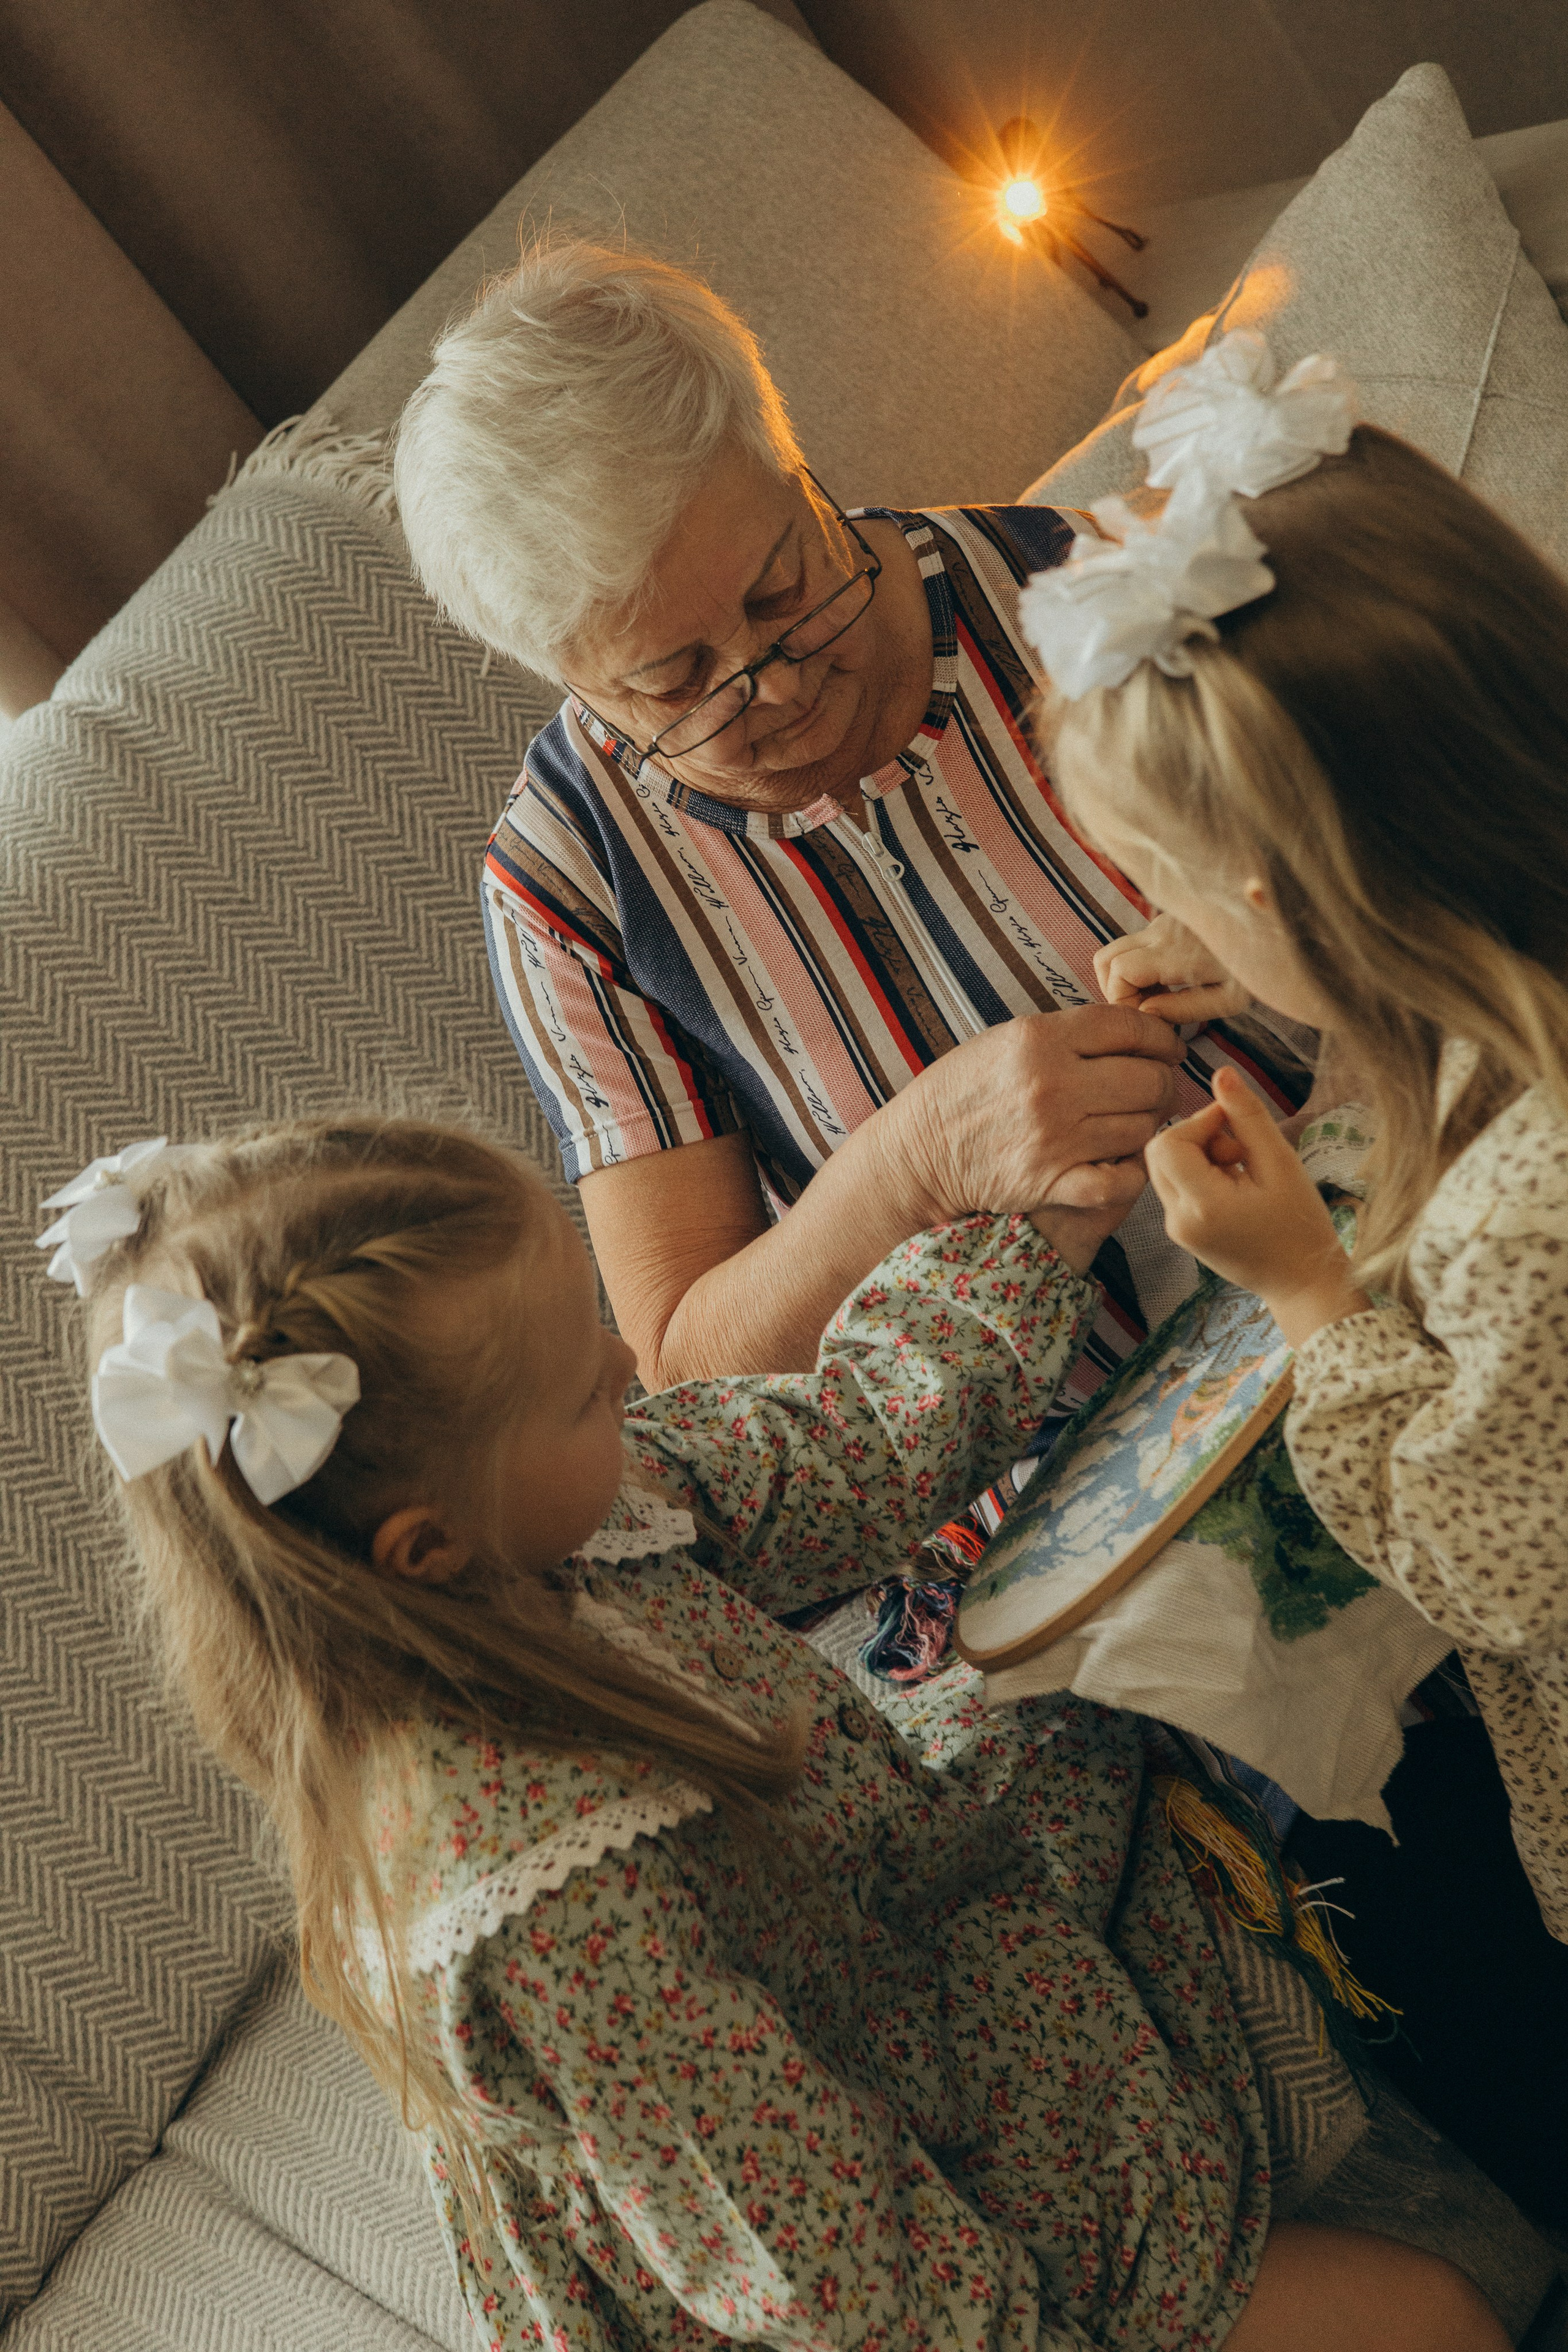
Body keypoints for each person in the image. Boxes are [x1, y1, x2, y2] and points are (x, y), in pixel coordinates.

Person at [55, 1113, 1503, 2351]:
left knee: (1074, 1720)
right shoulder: (545, 1899)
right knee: (1431, 2319)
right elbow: (840, 2282)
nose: (629, 1362)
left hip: (885, 1994)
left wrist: (1032, 1227)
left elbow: (852, 1440)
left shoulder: (560, 1519)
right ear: (429, 1546)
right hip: (885, 2258)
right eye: (580, 1382)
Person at [390, 237, 1314, 1396]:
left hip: (1367, 1225)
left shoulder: (1080, 584)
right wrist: (914, 1167)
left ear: (797, 467)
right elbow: (688, 1369)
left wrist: (1281, 918)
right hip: (1051, 1471)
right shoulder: (568, 888)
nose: (771, 682)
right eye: (675, 679)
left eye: (781, 587)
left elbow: (1473, 850)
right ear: (569, 678)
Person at [1022, 326, 1568, 2223]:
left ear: (1307, 895)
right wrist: (1259, 953)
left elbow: (1484, 1553)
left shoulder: (1521, 1204)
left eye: (1182, 873)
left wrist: (1308, 1293)